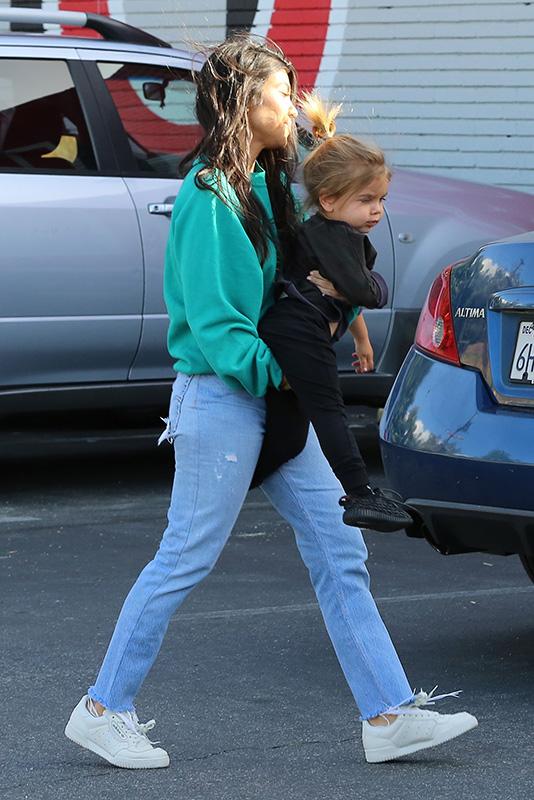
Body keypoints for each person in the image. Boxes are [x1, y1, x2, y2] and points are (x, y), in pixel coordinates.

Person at [64, 35, 478, 768]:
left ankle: (387, 716)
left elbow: (307, 267)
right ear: (241, 104)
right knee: (186, 555)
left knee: (340, 547)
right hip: (223, 399)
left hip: (277, 400)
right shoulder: (210, 197)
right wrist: (299, 372)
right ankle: (102, 708)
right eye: (281, 94)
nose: (293, 106)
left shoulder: (270, 185)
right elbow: (222, 332)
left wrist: (346, 325)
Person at [253, 92, 413, 533]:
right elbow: (368, 290)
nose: (377, 210)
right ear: (328, 200)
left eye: (382, 199)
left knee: (288, 428)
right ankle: (360, 495)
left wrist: (360, 332)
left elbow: (353, 293)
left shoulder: (339, 231)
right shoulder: (334, 235)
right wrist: (360, 289)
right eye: (367, 200)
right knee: (328, 409)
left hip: (301, 328)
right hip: (298, 329)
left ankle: (244, 473)